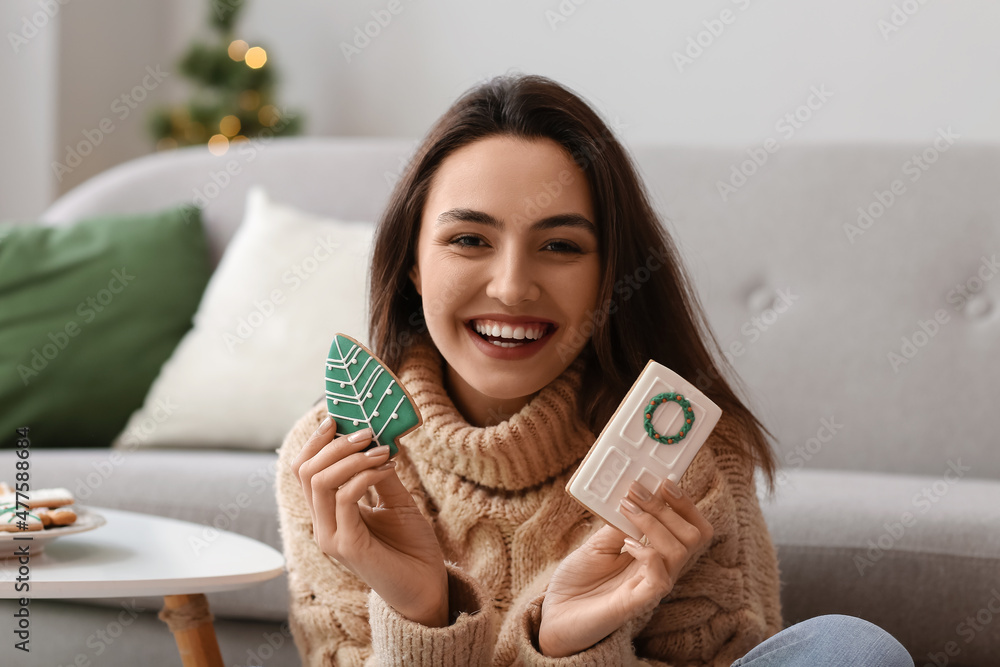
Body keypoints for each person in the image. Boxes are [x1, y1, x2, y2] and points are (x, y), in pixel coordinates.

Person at [275, 72, 914, 666]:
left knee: (850, 650)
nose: (512, 287)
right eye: (469, 239)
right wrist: (420, 610)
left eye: (560, 246)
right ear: (412, 263)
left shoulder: (684, 452)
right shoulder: (334, 464)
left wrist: (572, 643)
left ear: (610, 277)